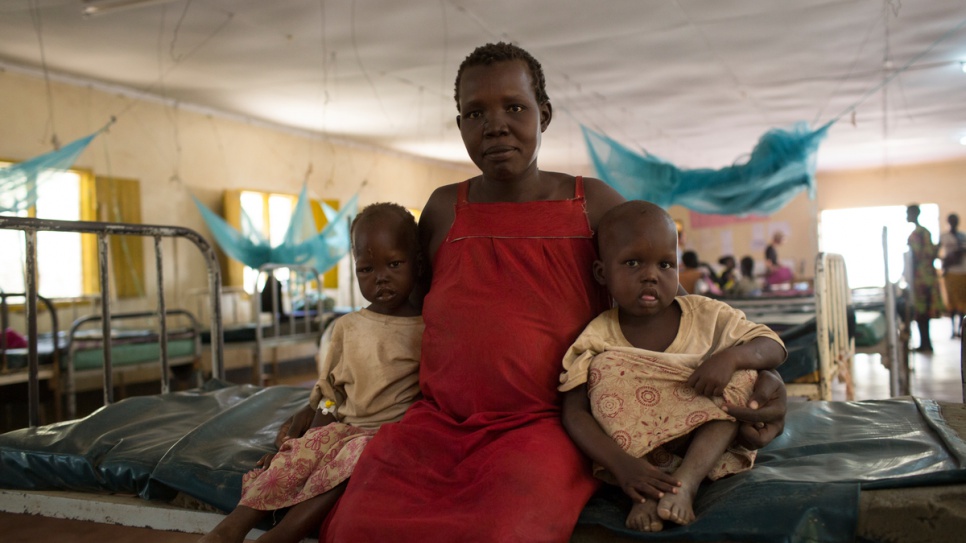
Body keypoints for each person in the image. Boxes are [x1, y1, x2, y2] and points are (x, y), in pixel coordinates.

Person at [321, 42, 788, 542]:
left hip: (546, 428)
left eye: (515, 108)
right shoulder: (442, 210)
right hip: (436, 423)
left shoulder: (593, 206)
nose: (495, 124)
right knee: (356, 524)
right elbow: (403, 316)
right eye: (475, 112)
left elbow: (659, 306)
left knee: (507, 529)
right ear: (460, 126)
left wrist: (755, 371)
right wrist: (324, 407)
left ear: (544, 114)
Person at [200, 203, 424, 543]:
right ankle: (229, 528)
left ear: (417, 264)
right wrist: (306, 441)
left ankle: (282, 535)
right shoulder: (347, 328)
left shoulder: (426, 330)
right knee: (300, 456)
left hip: (384, 435)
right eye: (366, 269)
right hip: (343, 425)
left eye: (394, 264)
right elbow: (332, 395)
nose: (380, 277)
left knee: (351, 460)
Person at [559, 201, 786, 532]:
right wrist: (623, 466)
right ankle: (646, 493)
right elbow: (575, 412)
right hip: (637, 460)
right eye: (633, 263)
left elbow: (772, 345)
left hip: (706, 448)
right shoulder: (597, 336)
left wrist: (730, 358)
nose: (651, 275)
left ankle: (685, 484)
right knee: (605, 369)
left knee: (746, 374)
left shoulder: (707, 315)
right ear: (601, 273)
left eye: (665, 264)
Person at [906, 204, 945, 352]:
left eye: (908, 213)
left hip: (922, 279)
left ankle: (926, 344)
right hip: (925, 277)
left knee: (923, 313)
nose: (906, 216)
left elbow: (920, 256)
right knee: (923, 313)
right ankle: (925, 343)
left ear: (915, 214)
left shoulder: (918, 234)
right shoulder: (922, 233)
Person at [940, 212, 966, 338]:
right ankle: (952, 329)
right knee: (952, 303)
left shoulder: (963, 236)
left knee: (962, 302)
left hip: (963, 272)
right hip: (950, 272)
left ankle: (961, 328)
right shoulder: (944, 237)